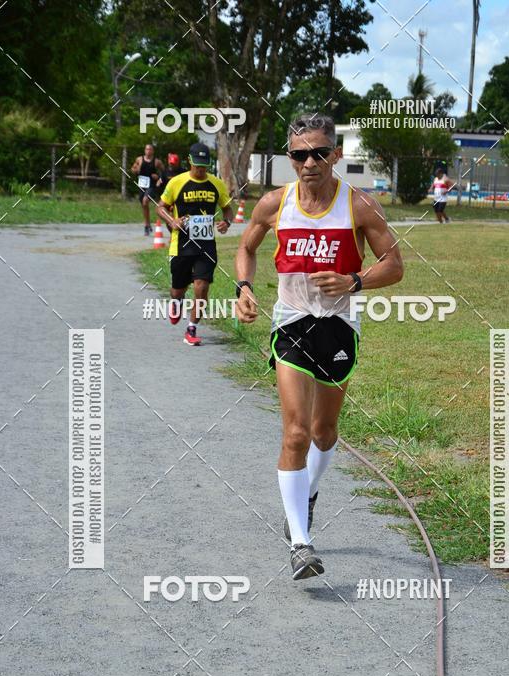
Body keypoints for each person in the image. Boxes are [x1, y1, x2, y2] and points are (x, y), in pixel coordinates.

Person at [234, 114, 404, 580]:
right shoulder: (274, 203)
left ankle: (308, 491)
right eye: (299, 155)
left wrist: (354, 281)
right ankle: (300, 544)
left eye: (319, 153)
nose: (309, 163)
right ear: (289, 158)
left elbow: (394, 265)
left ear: (336, 155)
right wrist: (244, 287)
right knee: (296, 433)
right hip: (291, 323)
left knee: (324, 432)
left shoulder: (359, 206)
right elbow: (246, 248)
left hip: (339, 327)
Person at [157, 143, 234, 346]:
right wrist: (172, 220)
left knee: (202, 285)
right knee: (178, 289)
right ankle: (177, 301)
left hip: (206, 246)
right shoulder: (176, 182)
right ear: (189, 162)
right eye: (197, 165)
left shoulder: (217, 184)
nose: (200, 169)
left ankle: (192, 328)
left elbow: (228, 209)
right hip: (181, 245)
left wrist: (226, 222)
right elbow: (161, 207)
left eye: (204, 166)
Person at [131, 143, 164, 235]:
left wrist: (158, 177)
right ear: (144, 150)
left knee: (145, 201)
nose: (148, 151)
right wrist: (136, 170)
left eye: (150, 149)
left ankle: (146, 225)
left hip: (151, 186)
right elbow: (133, 169)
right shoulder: (139, 159)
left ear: (153, 151)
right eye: (146, 149)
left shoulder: (157, 162)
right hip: (142, 185)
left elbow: (164, 173)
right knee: (144, 205)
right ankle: (147, 225)